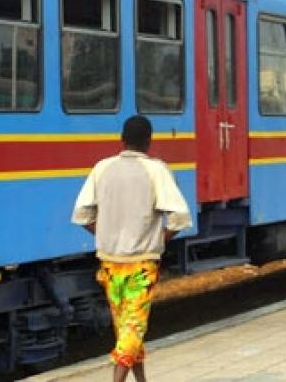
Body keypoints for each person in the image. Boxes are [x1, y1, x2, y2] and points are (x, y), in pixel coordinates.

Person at [71, 115, 192, 382]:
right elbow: (181, 218)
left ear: (121, 140)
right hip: (141, 266)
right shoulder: (156, 170)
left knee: (126, 330)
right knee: (132, 330)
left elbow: (81, 215)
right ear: (149, 142)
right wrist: (158, 240)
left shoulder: (102, 168)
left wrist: (103, 233)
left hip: (109, 265)